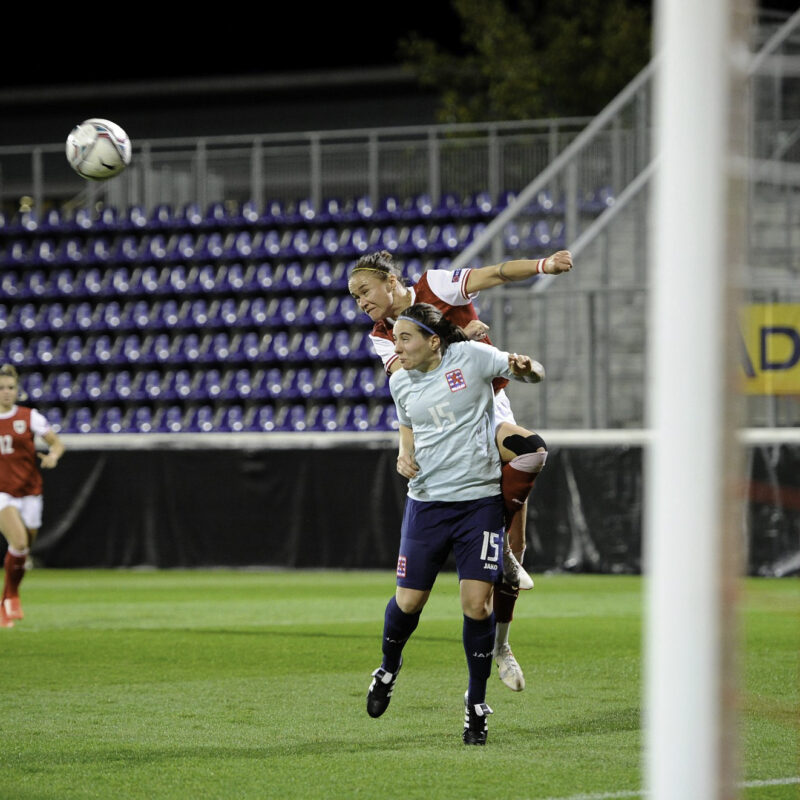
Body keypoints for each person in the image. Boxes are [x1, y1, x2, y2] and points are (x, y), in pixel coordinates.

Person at [348, 248, 572, 691]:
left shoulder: (435, 285)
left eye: (364, 291)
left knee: (522, 505)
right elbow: (410, 387)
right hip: (444, 432)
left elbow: (496, 273)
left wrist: (543, 266)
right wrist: (459, 342)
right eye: (354, 297)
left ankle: (502, 645)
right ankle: (494, 574)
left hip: (486, 411)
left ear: (390, 281)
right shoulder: (381, 335)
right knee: (475, 567)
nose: (361, 302)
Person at [366, 302, 545, 744]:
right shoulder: (400, 381)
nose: (396, 347)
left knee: (476, 606)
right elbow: (407, 426)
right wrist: (404, 454)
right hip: (426, 504)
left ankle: (476, 704)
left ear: (434, 341)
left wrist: (528, 368)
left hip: (478, 503)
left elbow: (530, 374)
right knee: (408, 602)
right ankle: (388, 668)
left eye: (405, 338)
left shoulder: (472, 358)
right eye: (394, 338)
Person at [0, 364, 65, 628]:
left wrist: (53, 456)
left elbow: (57, 443)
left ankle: (8, 596)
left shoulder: (29, 417)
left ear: (17, 390)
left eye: (10, 387)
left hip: (29, 491)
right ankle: (10, 600)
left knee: (24, 549)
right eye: (1, 388)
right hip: (3, 492)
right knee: (18, 542)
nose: (6, 392)